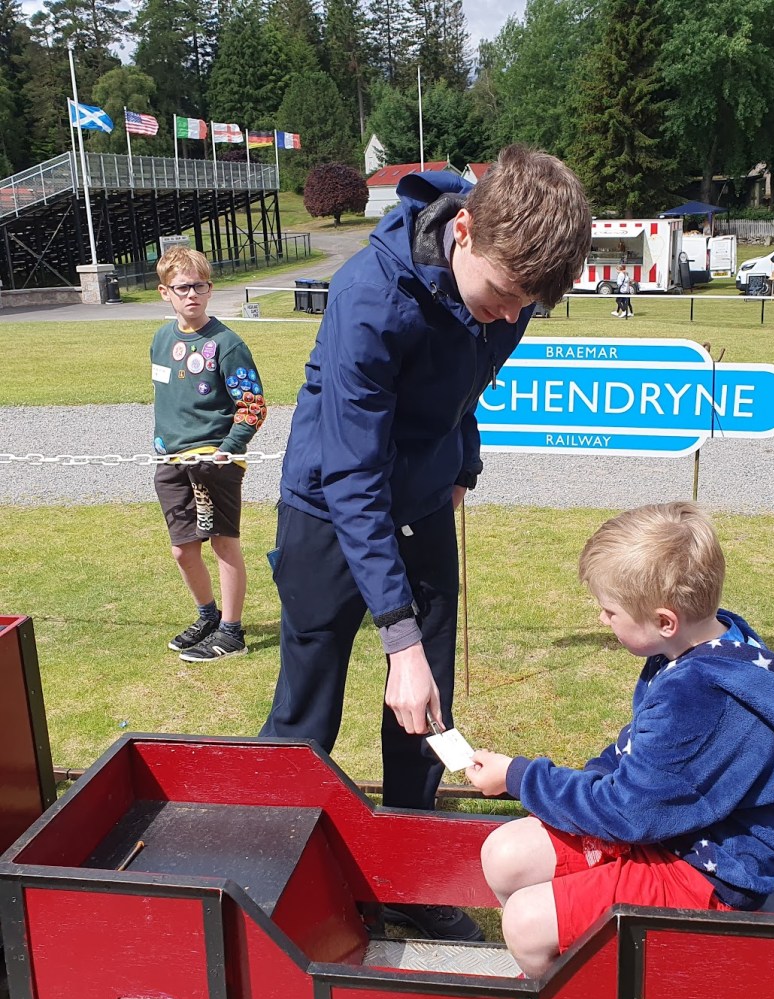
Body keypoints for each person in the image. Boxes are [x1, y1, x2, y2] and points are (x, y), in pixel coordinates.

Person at [259, 145, 591, 941]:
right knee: (312, 694)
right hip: (330, 503)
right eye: (506, 296)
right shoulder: (367, 296)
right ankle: (276, 866)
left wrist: (461, 463)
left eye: (529, 305)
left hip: (423, 498)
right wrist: (395, 636)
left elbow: (468, 377)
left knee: (426, 703)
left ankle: (400, 877)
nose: (513, 318)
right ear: (465, 230)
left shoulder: (510, 284)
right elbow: (353, 473)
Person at [466, 502, 774, 978]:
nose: (602, 618)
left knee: (525, 922)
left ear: (664, 620)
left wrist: (519, 777)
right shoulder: (705, 643)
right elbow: (634, 755)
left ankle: (579, 998)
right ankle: (575, 968)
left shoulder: (698, 696)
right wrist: (586, 778)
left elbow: (628, 812)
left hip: (710, 872)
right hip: (668, 827)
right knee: (504, 854)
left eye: (609, 610)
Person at [151, 247, 266, 662]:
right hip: (170, 460)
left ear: (210, 289)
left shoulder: (227, 344)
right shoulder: (162, 339)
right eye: (182, 288)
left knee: (222, 543)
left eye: (199, 286)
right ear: (166, 293)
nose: (192, 295)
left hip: (213, 460)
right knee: (183, 548)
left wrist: (227, 450)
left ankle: (232, 632)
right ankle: (208, 616)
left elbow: (252, 405)